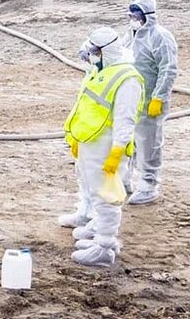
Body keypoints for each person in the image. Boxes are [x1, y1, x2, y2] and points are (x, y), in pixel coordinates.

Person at [60, 26, 143, 268]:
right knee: (92, 189)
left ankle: (105, 246)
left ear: (105, 52)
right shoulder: (101, 70)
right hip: (91, 142)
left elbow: (125, 119)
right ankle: (98, 230)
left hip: (107, 146)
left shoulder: (127, 79)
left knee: (106, 194)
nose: (90, 56)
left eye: (94, 52)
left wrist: (117, 152)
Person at [125, 0, 178, 205]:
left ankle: (149, 183)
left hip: (150, 102)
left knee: (149, 143)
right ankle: (125, 178)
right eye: (131, 15)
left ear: (147, 15)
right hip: (131, 100)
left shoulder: (161, 37)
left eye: (137, 15)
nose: (134, 19)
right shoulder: (131, 35)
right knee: (129, 140)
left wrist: (159, 97)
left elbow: (168, 69)